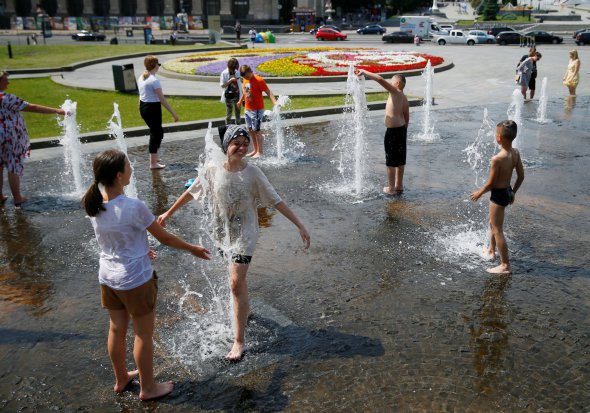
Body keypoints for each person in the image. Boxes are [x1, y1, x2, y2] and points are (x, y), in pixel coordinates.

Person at [157, 125, 310, 361]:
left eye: (245, 143)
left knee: (235, 282)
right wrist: (168, 213)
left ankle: (239, 341)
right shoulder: (213, 169)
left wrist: (299, 225)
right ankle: (244, 310)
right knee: (238, 282)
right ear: (226, 145)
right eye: (236, 143)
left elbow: (276, 201)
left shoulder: (253, 173)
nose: (242, 147)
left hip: (245, 233)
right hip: (222, 233)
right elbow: (192, 192)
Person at [82, 149, 210, 401]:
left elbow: (116, 238)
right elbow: (164, 237)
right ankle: (148, 387)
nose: (132, 169)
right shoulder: (133, 206)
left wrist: (141, 249)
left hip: (108, 276)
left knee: (116, 330)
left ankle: (121, 378)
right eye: (129, 166)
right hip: (135, 279)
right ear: (120, 176)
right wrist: (192, 248)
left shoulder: (94, 205)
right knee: (143, 334)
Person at [0, 71, 66, 207]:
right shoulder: (7, 98)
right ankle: (17, 197)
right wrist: (56, 110)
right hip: (10, 138)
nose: (8, 82)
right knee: (13, 166)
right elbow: (32, 107)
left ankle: (0, 196)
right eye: (5, 80)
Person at [469, 120, 525, 275]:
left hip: (498, 195)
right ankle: (491, 249)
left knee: (497, 229)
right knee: (493, 222)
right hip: (506, 192)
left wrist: (479, 193)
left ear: (499, 138)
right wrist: (513, 191)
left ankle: (505, 265)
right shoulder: (515, 153)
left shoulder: (497, 158)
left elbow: (491, 183)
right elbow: (521, 176)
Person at [355, 69, 409, 196]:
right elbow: (407, 116)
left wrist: (364, 72)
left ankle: (391, 188)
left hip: (393, 132)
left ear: (397, 84)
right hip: (401, 130)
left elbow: (379, 79)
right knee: (400, 160)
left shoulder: (394, 91)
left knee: (391, 161)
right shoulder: (404, 98)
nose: (390, 84)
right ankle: (399, 185)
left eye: (392, 81)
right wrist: (404, 129)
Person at [137, 55, 179, 170]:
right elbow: (162, 100)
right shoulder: (154, 81)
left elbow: (141, 95)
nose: (159, 66)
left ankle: (154, 156)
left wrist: (140, 108)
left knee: (158, 133)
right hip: (152, 108)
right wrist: (173, 114)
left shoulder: (142, 77)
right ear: (154, 65)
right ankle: (153, 163)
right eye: (158, 64)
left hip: (144, 107)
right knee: (155, 134)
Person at [237, 65, 277, 158]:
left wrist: (275, 102)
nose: (246, 78)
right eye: (244, 77)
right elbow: (246, 92)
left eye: (247, 76)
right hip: (248, 109)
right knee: (250, 130)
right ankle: (255, 150)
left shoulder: (259, 80)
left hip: (257, 110)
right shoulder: (246, 80)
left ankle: (260, 152)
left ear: (251, 72)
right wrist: (240, 101)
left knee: (257, 130)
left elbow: (268, 92)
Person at [220, 58, 242, 125]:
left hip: (237, 94)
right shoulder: (224, 73)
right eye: (234, 68)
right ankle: (228, 127)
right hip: (229, 95)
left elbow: (239, 84)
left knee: (238, 113)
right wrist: (230, 81)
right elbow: (222, 85)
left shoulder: (237, 72)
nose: (235, 70)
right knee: (229, 113)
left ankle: (238, 127)